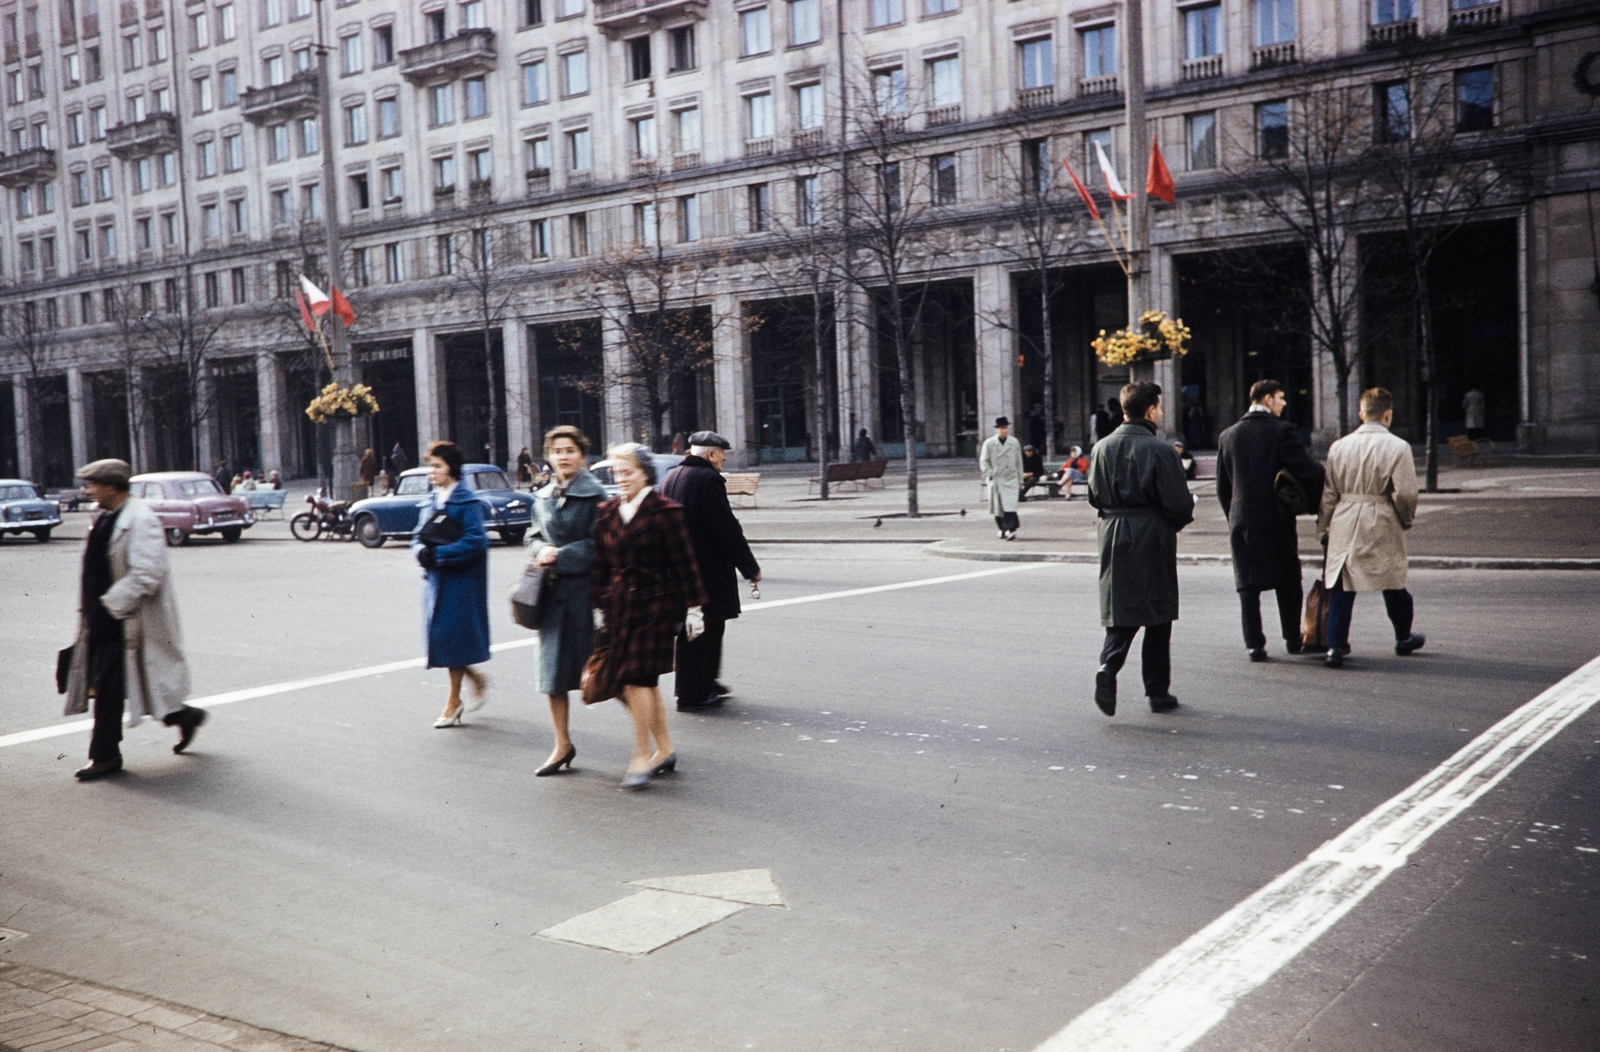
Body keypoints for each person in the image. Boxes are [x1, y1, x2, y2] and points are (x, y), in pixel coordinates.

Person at [62, 459, 207, 780]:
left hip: (123, 620)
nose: (88, 491)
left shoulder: (141, 519)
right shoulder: (108, 517)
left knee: (111, 690)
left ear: (111, 486)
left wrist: (111, 606)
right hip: (101, 619)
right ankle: (184, 716)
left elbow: (148, 574)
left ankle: (105, 756)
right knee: (115, 686)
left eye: (93, 484)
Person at [590, 443, 707, 789]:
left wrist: (695, 608)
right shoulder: (607, 511)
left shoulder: (665, 511)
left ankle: (641, 755)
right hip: (618, 608)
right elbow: (599, 564)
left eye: (629, 472)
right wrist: (597, 604)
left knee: (636, 678)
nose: (621, 478)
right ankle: (665, 748)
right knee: (645, 683)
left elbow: (684, 562)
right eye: (617, 472)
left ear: (646, 474)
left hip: (654, 604)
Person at [1087, 382, 1195, 717]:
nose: (1161, 413)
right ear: (1150, 410)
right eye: (1159, 407)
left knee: (1121, 609)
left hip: (1112, 532)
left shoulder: (1101, 447)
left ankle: (1108, 666)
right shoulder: (1161, 450)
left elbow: (1094, 496)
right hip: (1151, 533)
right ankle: (1157, 692)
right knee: (1158, 614)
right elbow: (1178, 505)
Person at [1215, 379, 1326, 662]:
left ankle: (1255, 645)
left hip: (1242, 520)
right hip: (1276, 518)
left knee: (1248, 585)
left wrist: (1234, 515)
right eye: (1280, 397)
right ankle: (1292, 638)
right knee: (1287, 579)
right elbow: (1306, 470)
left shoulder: (1228, 435)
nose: (1284, 403)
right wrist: (1315, 500)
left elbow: (1223, 487)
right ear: (1266, 399)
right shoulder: (1281, 432)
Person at [1316, 388, 1425, 668]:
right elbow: (1406, 494)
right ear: (1388, 414)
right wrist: (1405, 519)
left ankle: (1335, 647)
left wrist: (1323, 527)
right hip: (1380, 516)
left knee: (1342, 583)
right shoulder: (1398, 447)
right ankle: (1403, 637)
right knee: (1392, 580)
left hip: (1345, 515)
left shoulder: (1338, 446)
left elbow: (1329, 493)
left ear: (1361, 414)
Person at [659, 430, 762, 712]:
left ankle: (706, 681)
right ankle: (691, 693)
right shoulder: (708, 479)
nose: (725, 459)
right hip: (705, 569)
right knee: (702, 628)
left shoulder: (670, 477)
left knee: (709, 625)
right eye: (722, 453)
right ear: (711, 454)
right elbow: (726, 529)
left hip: (680, 567)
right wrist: (750, 568)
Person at [526, 426, 605, 776]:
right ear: (549, 456)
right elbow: (532, 535)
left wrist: (562, 554)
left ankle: (654, 741)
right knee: (552, 677)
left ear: (582, 455)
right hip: (550, 597)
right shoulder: (542, 496)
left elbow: (602, 544)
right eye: (557, 450)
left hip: (583, 596)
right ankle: (562, 745)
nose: (563, 456)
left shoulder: (596, 494)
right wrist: (540, 548)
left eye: (570, 450)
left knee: (606, 673)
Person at [411, 440, 491, 727]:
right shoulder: (432, 499)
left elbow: (476, 542)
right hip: (435, 581)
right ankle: (474, 679)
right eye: (430, 466)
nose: (431, 472)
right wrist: (419, 551)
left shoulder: (467, 502)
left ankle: (453, 700)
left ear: (452, 469)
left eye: (437, 466)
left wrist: (439, 554)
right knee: (444, 639)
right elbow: (418, 535)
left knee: (450, 638)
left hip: (460, 583)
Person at [980, 416, 1023, 539]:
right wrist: (990, 474)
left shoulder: (1014, 442)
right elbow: (984, 461)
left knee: (1010, 506)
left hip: (1011, 478)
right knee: (998, 506)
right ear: (996, 429)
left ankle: (1010, 529)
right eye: (1002, 428)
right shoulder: (989, 443)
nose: (1004, 430)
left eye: (1006, 428)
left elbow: (1019, 462)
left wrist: (1020, 480)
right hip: (997, 479)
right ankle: (1002, 528)